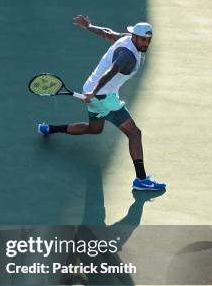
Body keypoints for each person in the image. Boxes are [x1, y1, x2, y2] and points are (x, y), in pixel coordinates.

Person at [38, 15, 166, 191]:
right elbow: (111, 72)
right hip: (102, 95)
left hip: (94, 90)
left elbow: (107, 33)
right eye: (143, 39)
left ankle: (49, 128)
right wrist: (94, 93)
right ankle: (142, 180)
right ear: (135, 37)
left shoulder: (125, 38)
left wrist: (89, 26)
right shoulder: (128, 56)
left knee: (94, 129)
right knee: (134, 133)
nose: (146, 43)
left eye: (148, 40)